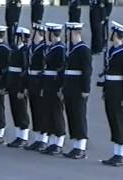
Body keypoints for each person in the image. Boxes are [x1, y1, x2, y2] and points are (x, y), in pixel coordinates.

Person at [101, 21, 123, 167]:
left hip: (119, 91)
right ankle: (116, 153)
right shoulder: (112, 50)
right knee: (113, 120)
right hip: (111, 90)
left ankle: (122, 154)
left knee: (120, 121)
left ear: (115, 34)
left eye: (112, 32)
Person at [62, 22, 92, 159]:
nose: (66, 35)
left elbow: (86, 71)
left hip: (78, 88)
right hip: (69, 87)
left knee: (79, 116)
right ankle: (75, 145)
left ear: (73, 32)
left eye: (67, 32)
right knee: (72, 115)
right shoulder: (72, 48)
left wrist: (86, 89)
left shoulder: (83, 49)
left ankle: (81, 147)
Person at [39, 23, 66, 155]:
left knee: (57, 113)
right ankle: (52, 142)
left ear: (52, 33)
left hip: (55, 84)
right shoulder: (51, 47)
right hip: (48, 83)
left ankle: (59, 142)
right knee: (48, 113)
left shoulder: (60, 48)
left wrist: (61, 88)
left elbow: (61, 70)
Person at [24, 23, 48, 151]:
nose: (33, 35)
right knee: (34, 110)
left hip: (39, 81)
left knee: (41, 111)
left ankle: (43, 139)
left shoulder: (44, 48)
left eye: (35, 32)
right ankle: (37, 138)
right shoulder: (31, 48)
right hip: (32, 80)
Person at [6, 27, 31, 148]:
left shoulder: (25, 51)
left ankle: (24, 137)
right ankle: (18, 135)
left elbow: (25, 71)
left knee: (21, 111)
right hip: (12, 84)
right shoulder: (15, 50)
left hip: (19, 85)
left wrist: (22, 89)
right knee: (15, 110)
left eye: (17, 36)